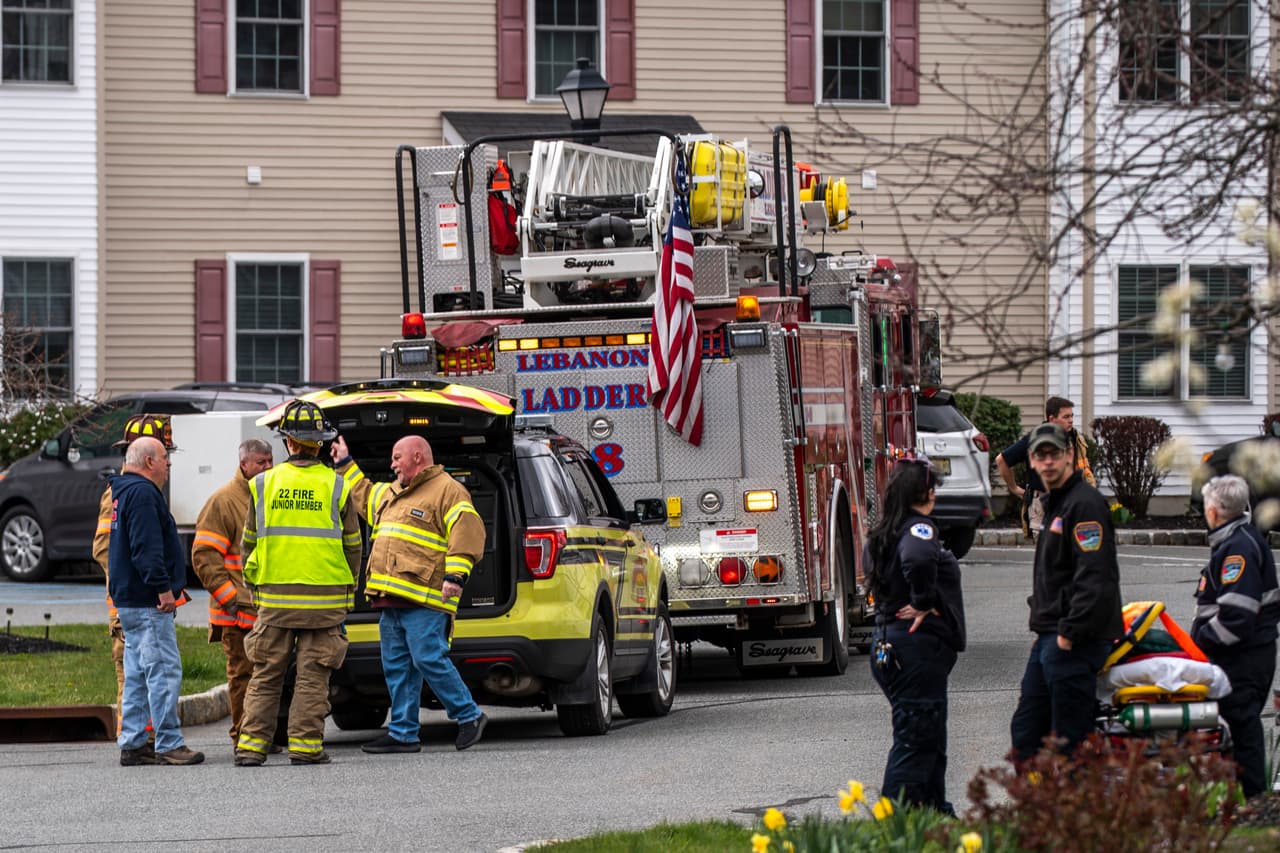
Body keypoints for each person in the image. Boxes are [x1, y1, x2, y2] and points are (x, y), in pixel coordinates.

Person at [330, 432, 489, 753]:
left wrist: (456, 576)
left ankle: (469, 715)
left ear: (418, 456)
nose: (392, 464)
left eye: (397, 457)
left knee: (428, 658)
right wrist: (345, 462)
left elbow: (467, 533)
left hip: (426, 599)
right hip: (390, 599)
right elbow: (362, 495)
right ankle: (403, 733)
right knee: (397, 666)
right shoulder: (391, 493)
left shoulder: (448, 490)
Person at [234, 401, 362, 767]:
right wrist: (346, 592)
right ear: (318, 444)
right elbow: (353, 546)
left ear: (288, 442)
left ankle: (251, 748)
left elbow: (249, 545)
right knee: (313, 676)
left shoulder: (262, 484)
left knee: (266, 674)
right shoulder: (337, 487)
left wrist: (255, 589)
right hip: (324, 604)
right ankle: (305, 748)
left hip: (274, 601)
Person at [1009, 422, 1123, 761]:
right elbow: (1055, 578)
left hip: (1076, 641)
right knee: (1027, 736)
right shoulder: (1055, 502)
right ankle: (1039, 810)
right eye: (1040, 455)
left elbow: (1095, 578)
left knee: (1069, 744)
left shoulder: (1084, 505)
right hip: (1050, 635)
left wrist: (1067, 635)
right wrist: (1043, 626)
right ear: (1030, 460)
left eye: (1054, 454)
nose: (1047, 462)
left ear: (1069, 456)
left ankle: (1075, 810)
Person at [863, 456, 966, 814]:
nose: (935, 493)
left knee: (929, 738)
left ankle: (935, 813)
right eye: (931, 486)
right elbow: (919, 560)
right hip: (915, 651)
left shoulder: (884, 532)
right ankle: (895, 822)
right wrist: (923, 601)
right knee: (915, 740)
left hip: (891, 644)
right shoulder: (919, 529)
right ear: (922, 493)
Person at [108, 436, 204, 766]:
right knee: (163, 670)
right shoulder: (144, 494)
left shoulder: (123, 492)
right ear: (149, 462)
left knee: (136, 673)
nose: (169, 464)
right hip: (149, 600)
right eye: (165, 457)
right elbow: (147, 549)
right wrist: (164, 590)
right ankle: (168, 743)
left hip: (128, 599)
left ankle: (133, 744)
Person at [1191, 475, 1280, 798]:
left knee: (1243, 735)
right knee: (1237, 736)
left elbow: (1236, 619)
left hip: (1242, 661)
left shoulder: (1237, 550)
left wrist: (1198, 643)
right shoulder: (1239, 541)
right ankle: (1242, 804)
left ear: (1214, 511)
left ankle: (1255, 805)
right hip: (1246, 658)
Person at [93, 414, 177, 733]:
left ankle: (146, 738)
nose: (168, 462)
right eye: (163, 454)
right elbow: (103, 548)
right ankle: (136, 738)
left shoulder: (144, 490)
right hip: (131, 603)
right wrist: (139, 583)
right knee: (133, 676)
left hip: (143, 600)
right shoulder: (121, 493)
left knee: (149, 673)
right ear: (143, 455)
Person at [191, 437, 274, 749]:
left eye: (270, 461)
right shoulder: (224, 501)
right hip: (235, 611)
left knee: (263, 677)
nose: (268, 467)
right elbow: (204, 556)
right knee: (242, 676)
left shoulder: (266, 494)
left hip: (264, 608)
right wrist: (231, 598)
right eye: (261, 462)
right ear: (244, 465)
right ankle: (243, 736)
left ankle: (260, 735)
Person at [996, 396, 1096, 540]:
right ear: (1052, 419)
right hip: (1043, 505)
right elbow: (1002, 460)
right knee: (1047, 556)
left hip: (1071, 503)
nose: (1071, 420)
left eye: (1072, 416)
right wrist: (1014, 488)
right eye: (1066, 416)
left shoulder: (1074, 438)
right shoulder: (1035, 439)